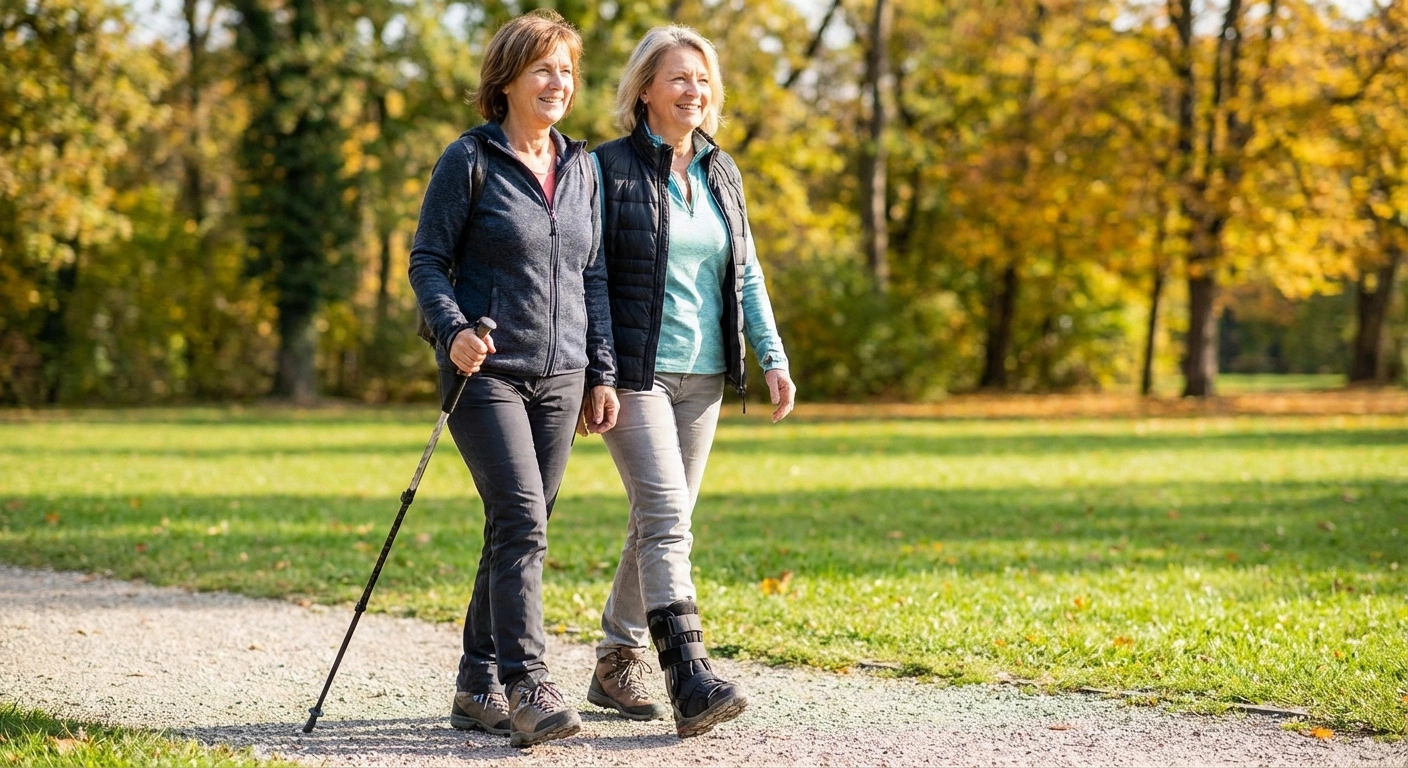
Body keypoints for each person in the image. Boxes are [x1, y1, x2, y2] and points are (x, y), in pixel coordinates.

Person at [406, 9, 617, 748]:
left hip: (563, 374)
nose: (558, 82)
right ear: (507, 81)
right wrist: (453, 328)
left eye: (566, 69)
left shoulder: (581, 165)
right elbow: (427, 261)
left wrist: (602, 372)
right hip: (486, 372)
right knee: (524, 520)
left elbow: (592, 276)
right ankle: (527, 682)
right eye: (543, 69)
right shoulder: (468, 160)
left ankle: (474, 684)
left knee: (517, 528)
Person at [585, 25, 796, 738]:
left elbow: (747, 270)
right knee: (669, 520)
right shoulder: (606, 169)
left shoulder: (720, 172)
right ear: (644, 88)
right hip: (636, 374)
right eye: (679, 78)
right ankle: (689, 674)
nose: (694, 91)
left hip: (706, 376)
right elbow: (592, 277)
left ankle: (616, 658)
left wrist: (771, 355)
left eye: (703, 81)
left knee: (657, 521)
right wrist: (598, 371)